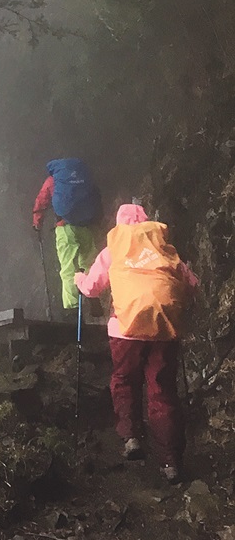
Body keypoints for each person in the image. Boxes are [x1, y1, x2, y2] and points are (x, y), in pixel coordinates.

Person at [75, 201, 198, 484]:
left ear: (119, 224)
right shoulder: (163, 248)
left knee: (124, 380)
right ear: (146, 222)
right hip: (163, 328)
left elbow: (92, 288)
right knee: (162, 391)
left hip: (125, 329)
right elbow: (192, 284)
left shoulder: (114, 249)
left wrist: (77, 278)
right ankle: (171, 463)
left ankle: (132, 438)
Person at [33, 157, 101, 312]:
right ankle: (92, 295)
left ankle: (72, 307)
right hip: (85, 225)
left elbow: (42, 200)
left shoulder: (53, 180)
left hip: (65, 227)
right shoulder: (83, 178)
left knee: (68, 266)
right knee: (89, 262)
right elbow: (95, 195)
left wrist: (37, 222)